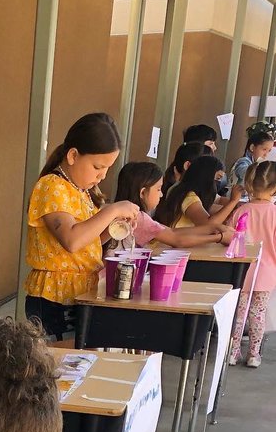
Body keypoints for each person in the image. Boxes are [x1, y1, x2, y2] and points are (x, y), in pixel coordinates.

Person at [24, 111, 138, 341]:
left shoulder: (82, 191)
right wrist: (111, 211)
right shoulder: (52, 186)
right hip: (54, 299)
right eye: (97, 167)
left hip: (80, 292)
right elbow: (72, 240)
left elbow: (89, 241)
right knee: (64, 369)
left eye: (107, 169)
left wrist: (112, 227)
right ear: (73, 155)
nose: (102, 176)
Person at [110, 161, 233, 250]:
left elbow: (172, 231)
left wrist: (212, 229)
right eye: (158, 189)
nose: (162, 194)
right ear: (142, 192)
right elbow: (177, 239)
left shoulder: (127, 213)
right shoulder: (138, 218)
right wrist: (219, 237)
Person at [229, 161, 276, 368]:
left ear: (249, 183)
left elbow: (230, 237)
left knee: (238, 313)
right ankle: (254, 355)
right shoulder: (274, 213)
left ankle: (232, 351)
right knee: (258, 314)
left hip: (241, 269)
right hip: (267, 271)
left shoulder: (242, 210)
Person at [153, 155, 244, 230]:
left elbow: (215, 209)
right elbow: (207, 225)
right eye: (217, 178)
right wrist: (233, 201)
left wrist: (240, 206)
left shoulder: (193, 194)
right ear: (205, 176)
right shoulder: (188, 196)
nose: (218, 183)